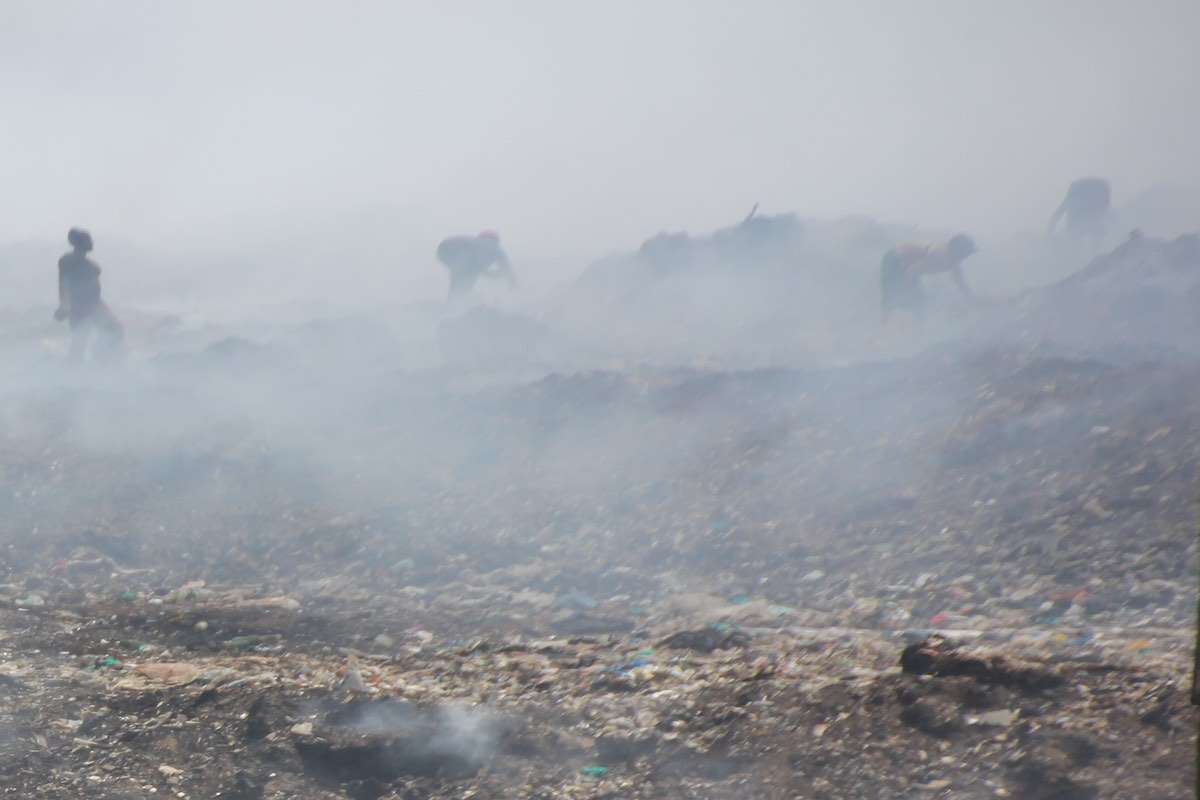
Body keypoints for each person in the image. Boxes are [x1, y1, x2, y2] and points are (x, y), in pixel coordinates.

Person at [55, 228, 123, 360]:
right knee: (80, 340)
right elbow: (63, 284)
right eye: (88, 240)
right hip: (80, 306)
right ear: (80, 243)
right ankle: (73, 370)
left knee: (114, 329)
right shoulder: (68, 261)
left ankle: (101, 359)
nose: (91, 243)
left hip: (95, 304)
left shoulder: (91, 265)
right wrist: (65, 305)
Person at [880, 233, 977, 322]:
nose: (967, 256)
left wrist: (971, 298)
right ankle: (884, 322)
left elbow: (960, 281)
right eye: (966, 253)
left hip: (905, 265)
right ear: (958, 251)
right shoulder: (940, 256)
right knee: (894, 294)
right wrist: (906, 289)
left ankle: (917, 325)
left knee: (918, 299)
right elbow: (913, 270)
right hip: (895, 259)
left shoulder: (953, 259)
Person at [435, 230, 517, 301]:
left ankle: (452, 305)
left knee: (457, 287)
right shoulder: (496, 247)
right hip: (467, 263)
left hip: (449, 255)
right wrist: (512, 281)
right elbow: (506, 266)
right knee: (463, 287)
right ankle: (456, 306)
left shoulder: (471, 240)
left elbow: (446, 246)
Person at [1048, 177, 1111, 248]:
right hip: (1089, 222)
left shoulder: (1074, 196)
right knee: (1095, 240)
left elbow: (1057, 214)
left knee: (1077, 243)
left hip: (1078, 223)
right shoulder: (1098, 192)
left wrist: (1050, 230)